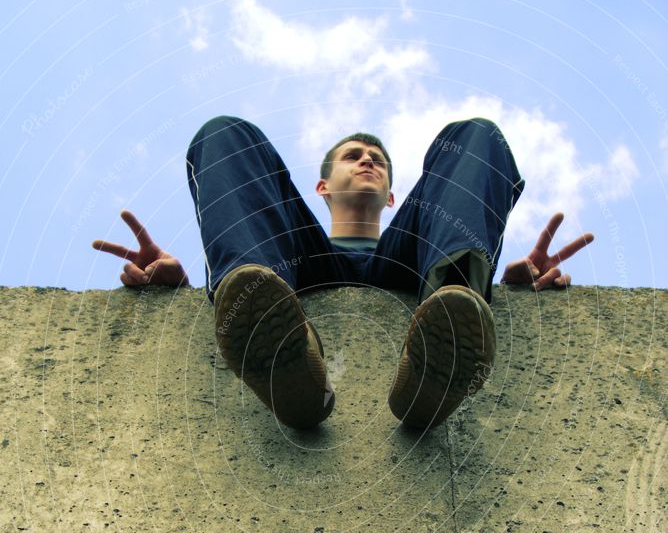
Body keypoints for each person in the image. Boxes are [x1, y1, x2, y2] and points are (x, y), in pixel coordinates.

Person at [92, 116, 593, 430]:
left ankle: (455, 320)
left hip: (408, 264)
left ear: (393, 196)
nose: (367, 161)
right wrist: (179, 288)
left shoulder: (418, 225)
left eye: (376, 160)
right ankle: (265, 335)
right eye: (353, 157)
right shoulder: (294, 227)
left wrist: (505, 288)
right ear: (323, 186)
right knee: (225, 133)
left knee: (477, 134)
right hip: (299, 264)